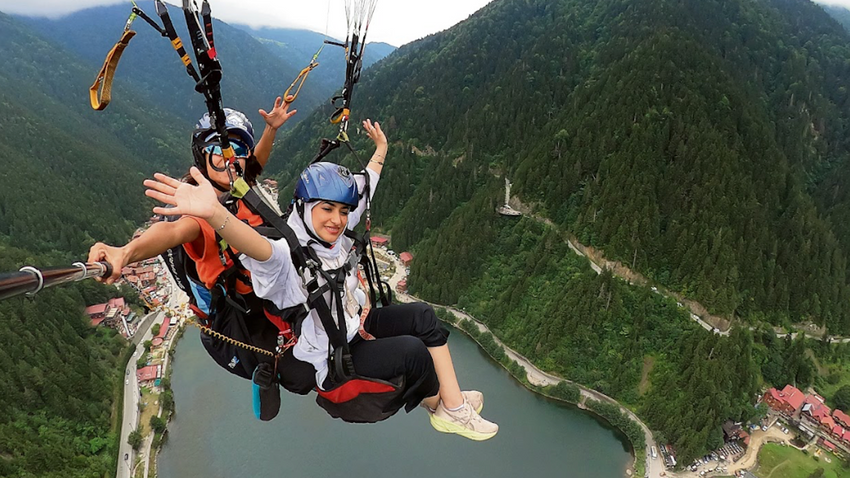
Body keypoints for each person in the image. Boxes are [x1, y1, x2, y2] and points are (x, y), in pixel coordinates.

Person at [143, 119, 500, 441]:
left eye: (342, 211)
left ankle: (452, 402)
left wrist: (381, 150)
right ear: (303, 207)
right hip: (330, 358)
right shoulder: (285, 251)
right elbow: (251, 242)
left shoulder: (334, 229)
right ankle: (445, 408)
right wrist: (215, 214)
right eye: (327, 209)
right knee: (413, 355)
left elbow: (365, 187)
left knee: (422, 317)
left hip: (350, 326)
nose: (337, 219)